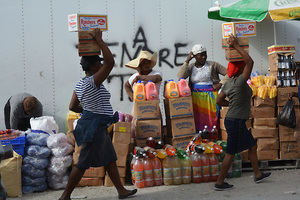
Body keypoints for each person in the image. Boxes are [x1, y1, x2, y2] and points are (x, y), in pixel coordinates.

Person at [59, 29, 137, 200]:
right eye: (99, 64)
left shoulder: (81, 84)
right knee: (82, 164)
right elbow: (110, 62)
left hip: (94, 125)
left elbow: (72, 106)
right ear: (94, 66)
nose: (102, 66)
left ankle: (121, 191)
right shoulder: (94, 81)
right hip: (93, 128)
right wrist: (99, 40)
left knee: (109, 159)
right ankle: (65, 195)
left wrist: (88, 110)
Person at [215, 35, 271, 191]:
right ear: (239, 69)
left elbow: (219, 101)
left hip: (234, 120)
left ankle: (257, 174)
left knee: (252, 145)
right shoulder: (240, 81)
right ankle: (220, 182)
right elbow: (250, 62)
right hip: (236, 121)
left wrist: (231, 104)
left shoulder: (227, 84)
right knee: (230, 153)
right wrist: (237, 45)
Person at [177, 44, 228, 131]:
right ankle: (200, 137)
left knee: (211, 118)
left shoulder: (213, 65)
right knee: (198, 118)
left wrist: (220, 84)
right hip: (196, 98)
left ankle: (212, 136)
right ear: (195, 56)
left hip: (211, 97)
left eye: (205, 54)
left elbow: (229, 73)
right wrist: (187, 60)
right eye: (201, 55)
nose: (204, 57)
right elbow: (180, 76)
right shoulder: (191, 67)